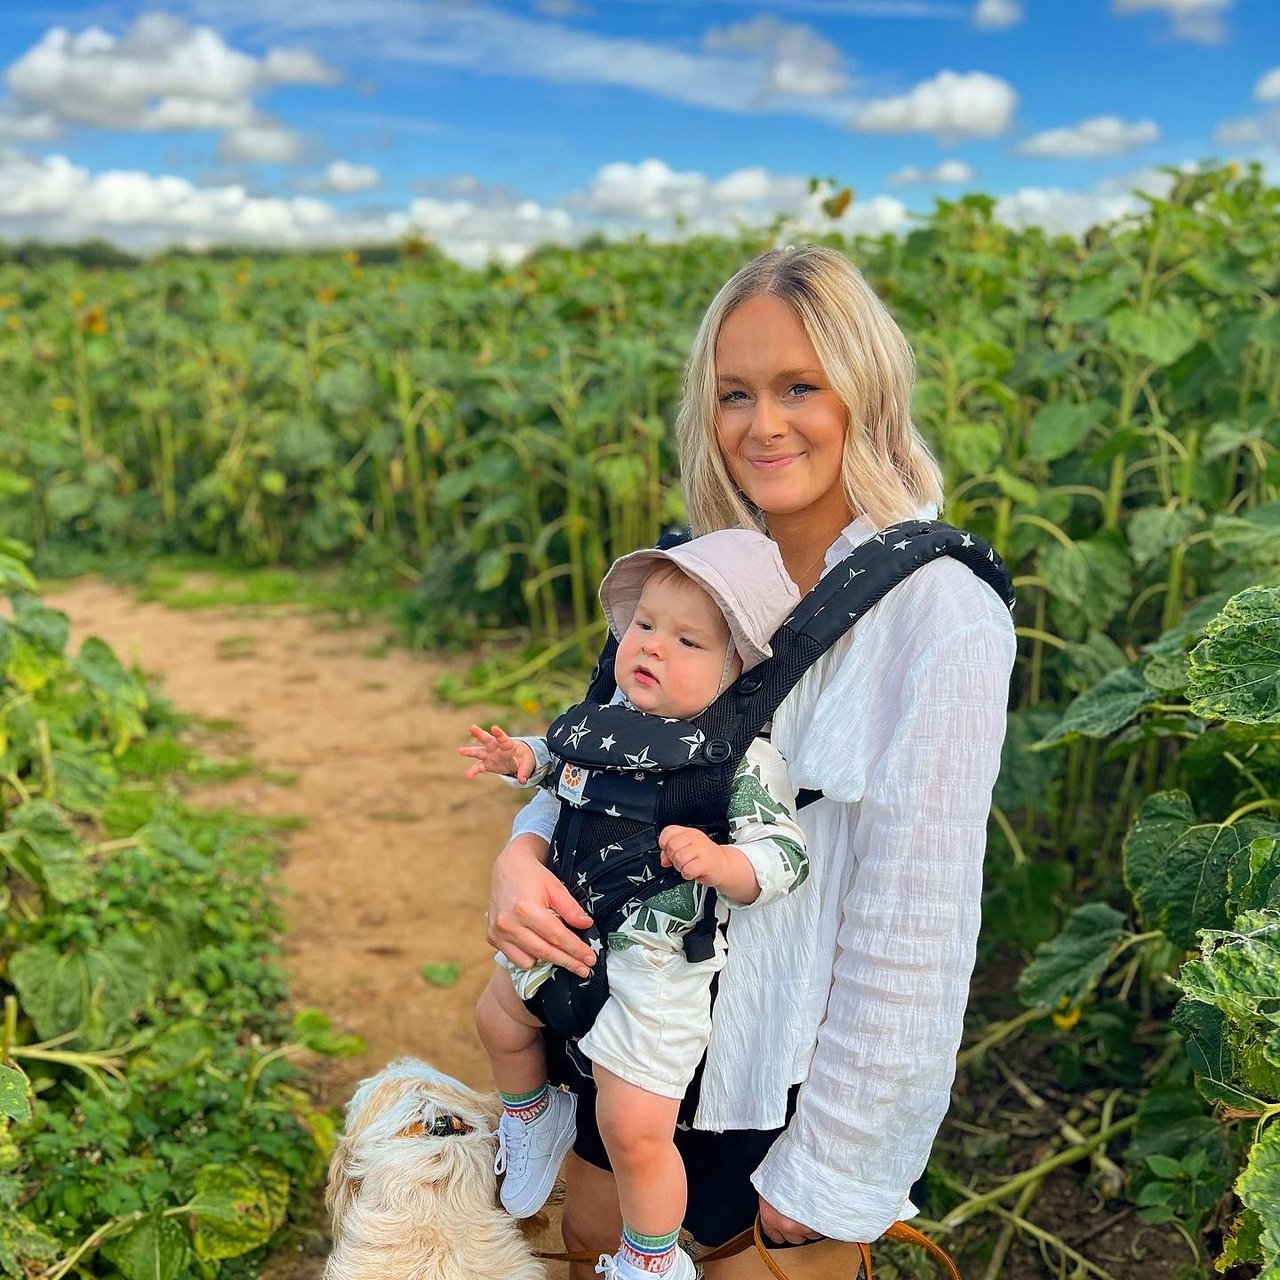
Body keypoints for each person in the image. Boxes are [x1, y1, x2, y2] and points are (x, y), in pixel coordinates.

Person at [485, 244, 1017, 1279]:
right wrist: (521, 851)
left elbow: (917, 921)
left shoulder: (937, 611)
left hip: (775, 1084)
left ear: (864, 392)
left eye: (797, 387)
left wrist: (831, 1169)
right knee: (593, 1245)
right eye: (734, 392)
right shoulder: (697, 565)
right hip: (627, 1023)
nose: (761, 423)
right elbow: (602, 749)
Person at [463, 530, 808, 1280]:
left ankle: (651, 1258)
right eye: (645, 625)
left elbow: (786, 856)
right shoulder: (608, 716)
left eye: (687, 641)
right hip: (570, 924)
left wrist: (721, 863)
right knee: (496, 1016)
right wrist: (521, 758)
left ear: (735, 669)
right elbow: (561, 760)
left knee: (634, 1126)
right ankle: (531, 1115)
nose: (653, 647)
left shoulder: (739, 759)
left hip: (657, 963)